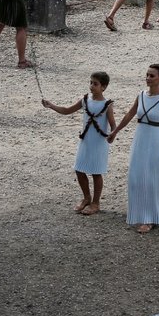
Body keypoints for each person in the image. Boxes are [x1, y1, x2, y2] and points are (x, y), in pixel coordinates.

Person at [110, 64, 159, 233]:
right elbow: (129, 115)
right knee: (137, 175)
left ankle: (150, 217)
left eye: (152, 76)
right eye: (147, 75)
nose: (148, 78)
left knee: (152, 177)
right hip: (140, 140)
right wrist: (115, 131)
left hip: (156, 141)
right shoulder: (140, 95)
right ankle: (140, 212)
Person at [41, 72, 117, 216]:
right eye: (91, 83)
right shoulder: (85, 99)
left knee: (96, 172)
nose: (91, 86)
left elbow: (113, 124)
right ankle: (86, 197)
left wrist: (113, 134)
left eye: (95, 84)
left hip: (99, 143)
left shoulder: (107, 105)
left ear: (104, 87)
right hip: (86, 141)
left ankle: (96, 202)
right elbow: (67, 110)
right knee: (79, 169)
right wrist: (51, 105)